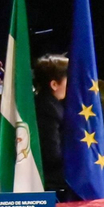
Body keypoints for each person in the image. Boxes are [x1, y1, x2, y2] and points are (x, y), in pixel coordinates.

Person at [32, 54, 69, 195]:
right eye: (67, 79)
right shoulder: (47, 109)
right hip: (52, 176)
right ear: (54, 84)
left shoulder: (52, 104)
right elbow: (52, 156)